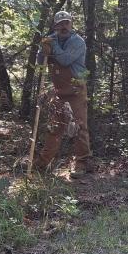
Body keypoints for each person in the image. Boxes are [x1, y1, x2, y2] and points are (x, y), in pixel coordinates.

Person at [34, 10, 93, 176]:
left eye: (66, 23)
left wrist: (52, 46)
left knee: (79, 126)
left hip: (76, 89)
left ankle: (82, 163)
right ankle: (42, 163)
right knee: (55, 127)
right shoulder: (51, 40)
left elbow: (65, 59)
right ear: (55, 26)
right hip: (59, 90)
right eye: (60, 24)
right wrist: (42, 49)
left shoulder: (77, 42)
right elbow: (40, 63)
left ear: (71, 23)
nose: (63, 26)